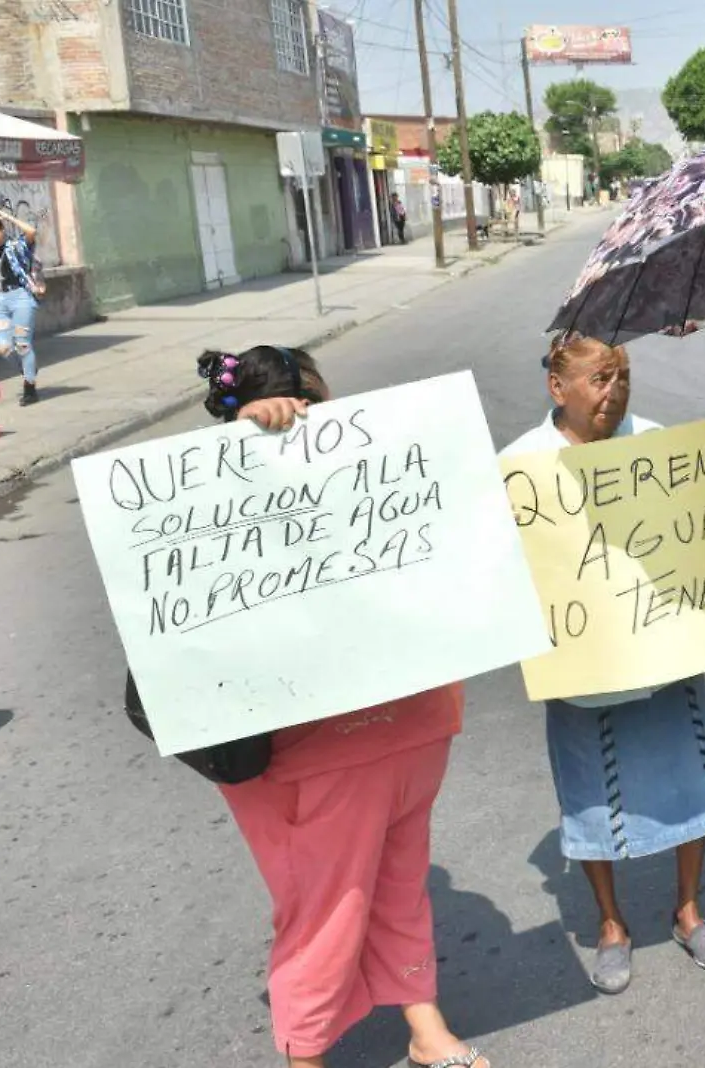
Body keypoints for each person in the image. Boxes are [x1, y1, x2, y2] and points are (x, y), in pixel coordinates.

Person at [201, 344, 489, 1068]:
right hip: (319, 754)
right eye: (313, 408)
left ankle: (425, 1028)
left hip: (412, 727)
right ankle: (306, 1053)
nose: (328, 423)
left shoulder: (368, 471)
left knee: (398, 886)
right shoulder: (222, 494)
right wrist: (249, 448)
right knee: (327, 913)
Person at [499, 333, 705, 993]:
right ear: (557, 388)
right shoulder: (521, 466)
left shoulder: (658, 445)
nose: (613, 391)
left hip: (667, 653)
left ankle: (688, 909)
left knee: (688, 775)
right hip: (584, 668)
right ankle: (611, 923)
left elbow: (703, 522)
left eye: (622, 376)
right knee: (592, 792)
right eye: (598, 378)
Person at [0, 208, 44, 406]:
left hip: (20, 298)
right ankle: (28, 367)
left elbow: (31, 232)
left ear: (2, 231)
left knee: (22, 344)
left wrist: (7, 217)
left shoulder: (17, 246)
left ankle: (30, 387)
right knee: (4, 349)